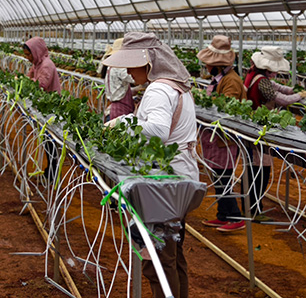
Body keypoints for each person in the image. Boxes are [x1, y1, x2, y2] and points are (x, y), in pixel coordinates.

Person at [102, 32, 198, 298]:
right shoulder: (175, 87)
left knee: (157, 261)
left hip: (164, 182)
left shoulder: (158, 89)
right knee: (173, 254)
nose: (130, 72)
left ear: (149, 62)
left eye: (133, 65)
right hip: (180, 177)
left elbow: (158, 129)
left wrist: (122, 124)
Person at [243, 47, 306, 220]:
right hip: (259, 128)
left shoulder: (254, 76)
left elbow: (280, 89)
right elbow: (282, 100)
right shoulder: (262, 81)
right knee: (260, 170)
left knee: (253, 167)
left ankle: (251, 206)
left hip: (253, 125)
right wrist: (300, 95)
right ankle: (254, 210)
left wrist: (293, 90)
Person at [197, 35, 247, 233]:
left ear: (217, 64)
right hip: (214, 137)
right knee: (218, 176)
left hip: (224, 139)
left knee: (224, 176)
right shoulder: (221, 79)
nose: (206, 67)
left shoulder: (231, 82)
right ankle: (223, 215)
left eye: (209, 64)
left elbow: (227, 109)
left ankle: (235, 216)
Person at [100, 39, 136, 120]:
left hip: (113, 109)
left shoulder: (111, 66)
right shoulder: (119, 67)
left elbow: (119, 89)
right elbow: (134, 79)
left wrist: (134, 90)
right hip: (120, 112)